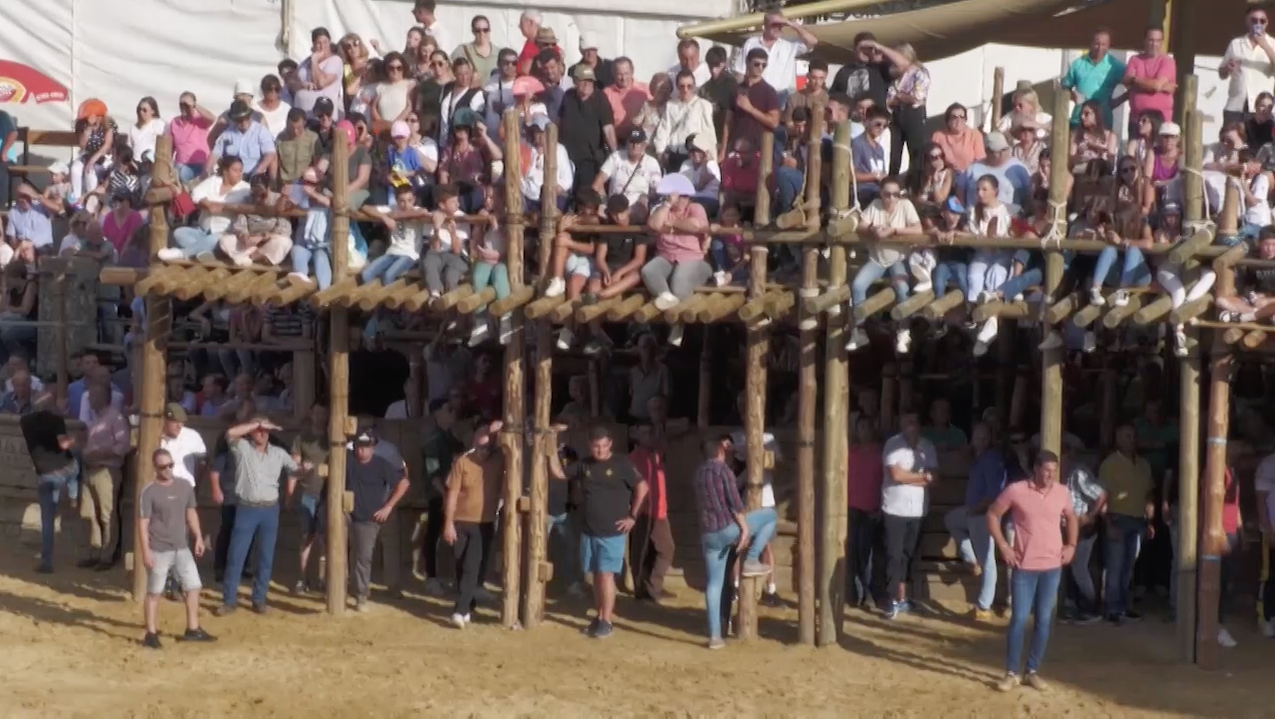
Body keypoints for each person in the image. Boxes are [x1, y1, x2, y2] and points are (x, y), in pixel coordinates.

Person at [987, 450, 1078, 693]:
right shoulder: (1016, 490)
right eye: (1046, 470)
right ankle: (1011, 672)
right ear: (1035, 469)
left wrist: (1071, 545)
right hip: (1025, 566)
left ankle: (1032, 670)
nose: (1050, 475)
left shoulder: (1062, 492)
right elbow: (993, 514)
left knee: (1044, 620)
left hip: (1052, 565)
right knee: (1018, 619)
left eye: (1054, 470)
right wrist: (1004, 546)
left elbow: (1071, 517)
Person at [547, 425, 647, 639]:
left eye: (603, 446)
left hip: (612, 531)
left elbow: (642, 487)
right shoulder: (584, 464)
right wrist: (550, 448)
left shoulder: (621, 463)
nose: (599, 451)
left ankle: (607, 621)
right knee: (594, 576)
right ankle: (600, 615)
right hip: (589, 530)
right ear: (590, 445)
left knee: (605, 575)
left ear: (610, 444)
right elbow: (558, 473)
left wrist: (633, 516)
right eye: (595, 447)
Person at [692, 436, 778, 649]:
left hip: (708, 533)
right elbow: (735, 503)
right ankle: (751, 559)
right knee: (770, 516)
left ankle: (715, 637)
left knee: (714, 584)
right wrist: (746, 529)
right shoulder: (724, 472)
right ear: (721, 452)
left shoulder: (698, 474)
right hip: (727, 528)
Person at [215, 416, 300, 616]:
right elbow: (230, 433)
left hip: (270, 509)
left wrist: (306, 470)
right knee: (236, 555)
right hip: (247, 508)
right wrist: (257, 424)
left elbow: (296, 471)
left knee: (265, 557)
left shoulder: (279, 453)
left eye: (264, 430)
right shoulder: (242, 448)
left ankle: (259, 600)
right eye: (258, 430)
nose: (261, 433)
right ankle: (229, 600)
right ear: (251, 431)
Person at [139, 448, 215, 649]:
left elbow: (191, 513)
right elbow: (143, 523)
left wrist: (198, 536)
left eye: (170, 465)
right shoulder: (149, 491)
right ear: (155, 468)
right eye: (163, 467)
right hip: (159, 548)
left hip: (182, 546)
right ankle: (151, 632)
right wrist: (145, 550)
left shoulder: (184, 486)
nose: (167, 470)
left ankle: (193, 628)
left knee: (193, 586)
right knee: (155, 591)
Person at [443, 421, 504, 628]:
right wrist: (448, 523)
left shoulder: (499, 459)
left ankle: (459, 611)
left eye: (487, 447)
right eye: (480, 447)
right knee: (460, 566)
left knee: (472, 566)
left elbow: (511, 444)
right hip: (461, 520)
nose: (483, 452)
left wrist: (497, 430)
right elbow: (452, 494)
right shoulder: (463, 461)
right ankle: (469, 604)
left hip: (483, 522)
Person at [943, 422, 1004, 619]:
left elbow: (994, 493)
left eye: (984, 436)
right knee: (951, 520)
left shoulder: (992, 459)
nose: (980, 440)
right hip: (972, 511)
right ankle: (971, 559)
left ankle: (984, 606)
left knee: (988, 560)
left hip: (983, 513)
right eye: (977, 436)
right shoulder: (978, 457)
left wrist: (978, 510)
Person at [880, 412, 937, 619]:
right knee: (894, 556)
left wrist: (910, 478)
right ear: (901, 424)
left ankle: (902, 598)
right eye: (907, 421)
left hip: (917, 510)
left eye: (914, 421)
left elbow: (934, 478)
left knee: (907, 556)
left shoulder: (927, 446)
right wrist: (922, 476)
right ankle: (892, 599)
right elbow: (896, 475)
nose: (911, 425)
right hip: (895, 509)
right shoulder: (892, 444)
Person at [345, 431, 410, 611]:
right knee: (362, 557)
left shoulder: (382, 464)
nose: (362, 451)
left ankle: (392, 586)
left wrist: (389, 507)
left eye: (366, 447)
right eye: (359, 447)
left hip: (380, 514)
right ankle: (361, 595)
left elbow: (404, 483)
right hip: (360, 517)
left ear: (373, 448)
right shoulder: (348, 464)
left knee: (388, 551)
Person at [1098, 423, 1154, 624]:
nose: (1132, 440)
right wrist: (1108, 524)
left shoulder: (1143, 464)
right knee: (1114, 567)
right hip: (1117, 519)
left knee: (1129, 567)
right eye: (1127, 436)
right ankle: (1112, 609)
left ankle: (1124, 606)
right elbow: (1102, 497)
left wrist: (1149, 519)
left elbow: (1147, 493)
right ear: (1118, 439)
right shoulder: (1109, 464)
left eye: (1133, 436)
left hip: (1138, 521)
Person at [78, 383, 131, 570]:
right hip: (91, 469)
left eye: (93, 395)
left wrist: (100, 453)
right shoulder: (97, 418)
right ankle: (95, 551)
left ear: (103, 397)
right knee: (88, 513)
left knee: (107, 514)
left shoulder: (115, 418)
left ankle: (107, 555)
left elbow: (123, 446)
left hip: (106, 471)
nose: (90, 399)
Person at [21, 405, 78, 573]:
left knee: (47, 521)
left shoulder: (25, 422)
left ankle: (47, 561)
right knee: (77, 462)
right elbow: (64, 444)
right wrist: (76, 439)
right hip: (65, 468)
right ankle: (74, 495)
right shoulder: (56, 420)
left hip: (46, 473)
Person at [628, 422, 676, 602]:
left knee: (658, 550)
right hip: (646, 511)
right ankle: (649, 588)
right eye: (645, 433)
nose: (650, 437)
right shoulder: (634, 457)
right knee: (656, 550)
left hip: (659, 510)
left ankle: (649, 587)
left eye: (651, 433)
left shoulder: (656, 454)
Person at [730, 10, 818, 98]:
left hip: (780, 96)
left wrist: (791, 24)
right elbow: (740, 72)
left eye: (780, 25)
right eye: (774, 25)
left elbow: (813, 41)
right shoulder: (751, 43)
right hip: (754, 93)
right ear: (765, 26)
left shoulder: (789, 44)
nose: (778, 28)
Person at [1220, 7, 1275, 125]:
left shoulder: (1272, 44)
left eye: (1262, 21)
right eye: (1254, 20)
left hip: (1262, 109)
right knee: (1232, 141)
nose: (1258, 24)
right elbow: (1222, 74)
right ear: (1247, 22)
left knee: (1260, 143)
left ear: (1267, 23)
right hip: (1236, 106)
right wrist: (1227, 68)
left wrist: (1264, 45)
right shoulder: (1236, 43)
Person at [1061, 28, 1126, 128]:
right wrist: (1074, 96)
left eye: (1104, 44)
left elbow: (1132, 87)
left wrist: (1113, 104)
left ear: (1109, 45)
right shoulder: (1078, 63)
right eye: (1097, 43)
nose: (1100, 47)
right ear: (1090, 43)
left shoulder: (1116, 66)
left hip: (1103, 121)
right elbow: (1065, 86)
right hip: (1079, 119)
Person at [1123, 26, 1177, 136]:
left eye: (1157, 41)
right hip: (1136, 119)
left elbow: (1156, 85)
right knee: (1133, 151)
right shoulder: (1134, 60)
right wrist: (1162, 86)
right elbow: (1127, 81)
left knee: (1157, 152)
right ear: (1145, 40)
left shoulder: (1167, 61)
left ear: (1162, 42)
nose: (1154, 44)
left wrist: (1135, 81)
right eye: (1151, 40)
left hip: (1160, 121)